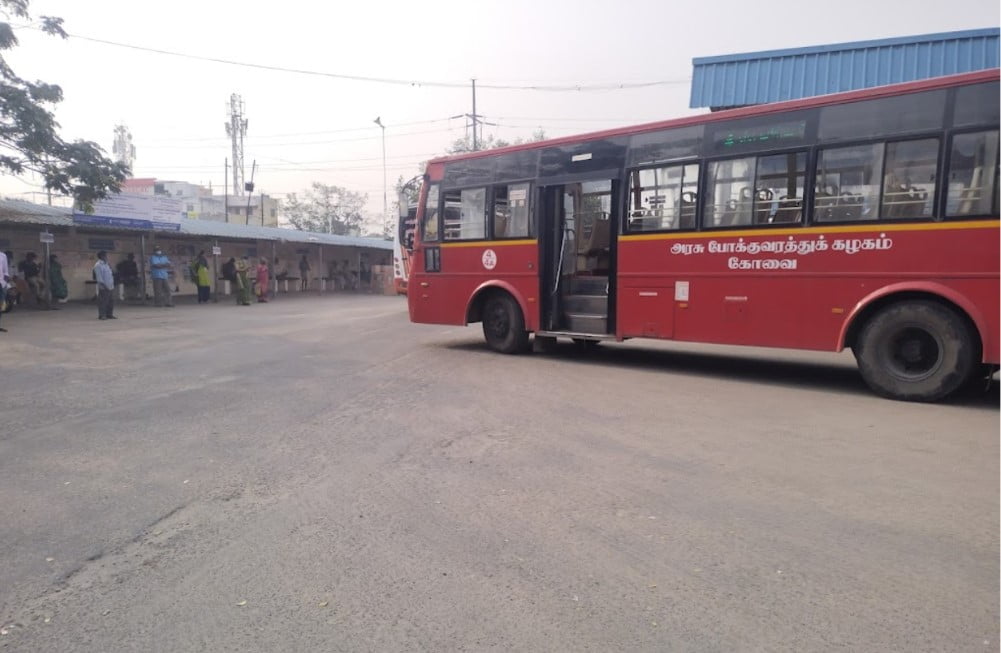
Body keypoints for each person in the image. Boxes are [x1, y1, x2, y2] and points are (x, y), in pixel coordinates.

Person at [93, 251, 116, 320]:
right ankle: (102, 315)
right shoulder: (98, 265)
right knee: (103, 302)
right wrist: (105, 286)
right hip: (104, 287)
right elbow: (99, 278)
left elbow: (111, 274)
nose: (107, 257)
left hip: (110, 286)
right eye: (106, 256)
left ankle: (109, 314)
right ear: (102, 256)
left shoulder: (107, 264)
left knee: (110, 301)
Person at [0, 249, 8, 332]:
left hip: (1, 284)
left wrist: (5, 283)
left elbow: (6, 272)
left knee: (0, 306)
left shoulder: (3, 256)